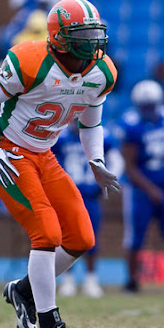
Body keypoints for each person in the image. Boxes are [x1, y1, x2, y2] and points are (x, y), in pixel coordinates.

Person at [0, 0, 120, 328]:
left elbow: (91, 123)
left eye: (95, 34)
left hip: (43, 155)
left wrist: (96, 160)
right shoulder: (30, 61)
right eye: (83, 34)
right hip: (10, 153)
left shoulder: (102, 71)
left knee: (81, 237)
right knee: (47, 233)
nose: (92, 43)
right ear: (60, 37)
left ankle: (22, 290)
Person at [118, 80, 164, 294]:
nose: (148, 109)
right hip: (140, 190)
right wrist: (150, 189)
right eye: (144, 105)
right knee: (135, 237)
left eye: (151, 105)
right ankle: (131, 281)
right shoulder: (131, 124)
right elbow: (128, 166)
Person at [53, 120, 123, 298]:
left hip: (90, 194)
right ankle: (67, 279)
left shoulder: (101, 136)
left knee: (91, 237)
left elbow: (116, 161)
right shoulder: (60, 137)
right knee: (65, 236)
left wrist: (108, 181)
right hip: (67, 193)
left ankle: (91, 278)